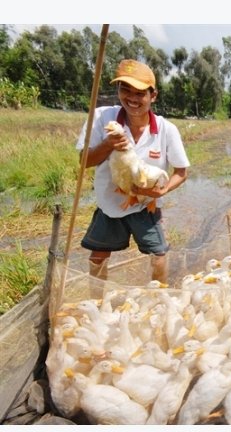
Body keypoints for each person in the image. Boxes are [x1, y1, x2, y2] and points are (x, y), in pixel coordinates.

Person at [76, 59, 190, 289]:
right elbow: (84, 162)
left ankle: (158, 300)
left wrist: (162, 190)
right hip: (109, 203)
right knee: (97, 258)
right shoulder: (101, 118)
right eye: (125, 90)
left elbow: (181, 172)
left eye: (140, 93)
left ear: (153, 96)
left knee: (159, 257)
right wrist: (108, 145)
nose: (132, 98)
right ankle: (97, 303)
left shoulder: (166, 129)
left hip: (145, 203)